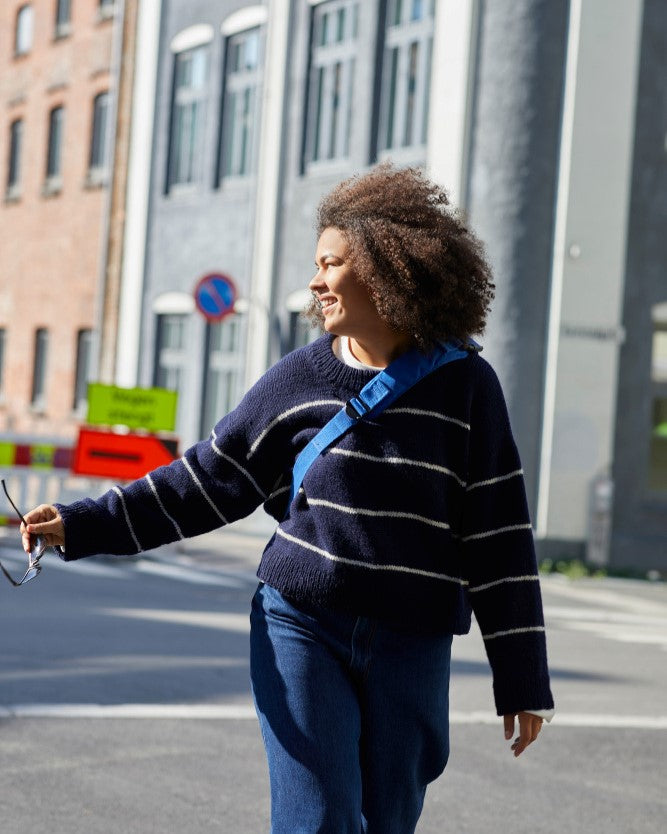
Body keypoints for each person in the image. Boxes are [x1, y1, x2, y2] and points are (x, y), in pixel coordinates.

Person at [20, 163, 554, 834]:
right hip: (301, 623)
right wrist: (80, 523)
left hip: (410, 641)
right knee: (319, 820)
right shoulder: (297, 379)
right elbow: (204, 482)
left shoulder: (467, 387)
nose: (315, 280)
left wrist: (522, 676)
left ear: (387, 270)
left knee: (387, 819)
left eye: (330, 263)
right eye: (316, 263)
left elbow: (498, 535)